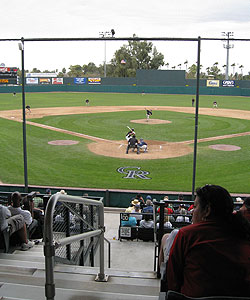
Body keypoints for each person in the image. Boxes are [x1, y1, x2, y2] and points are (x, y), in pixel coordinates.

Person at [166, 184, 250, 297]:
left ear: (207, 210)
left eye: (195, 207)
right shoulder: (243, 233)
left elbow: (173, 281)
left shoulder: (187, 235)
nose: (192, 212)